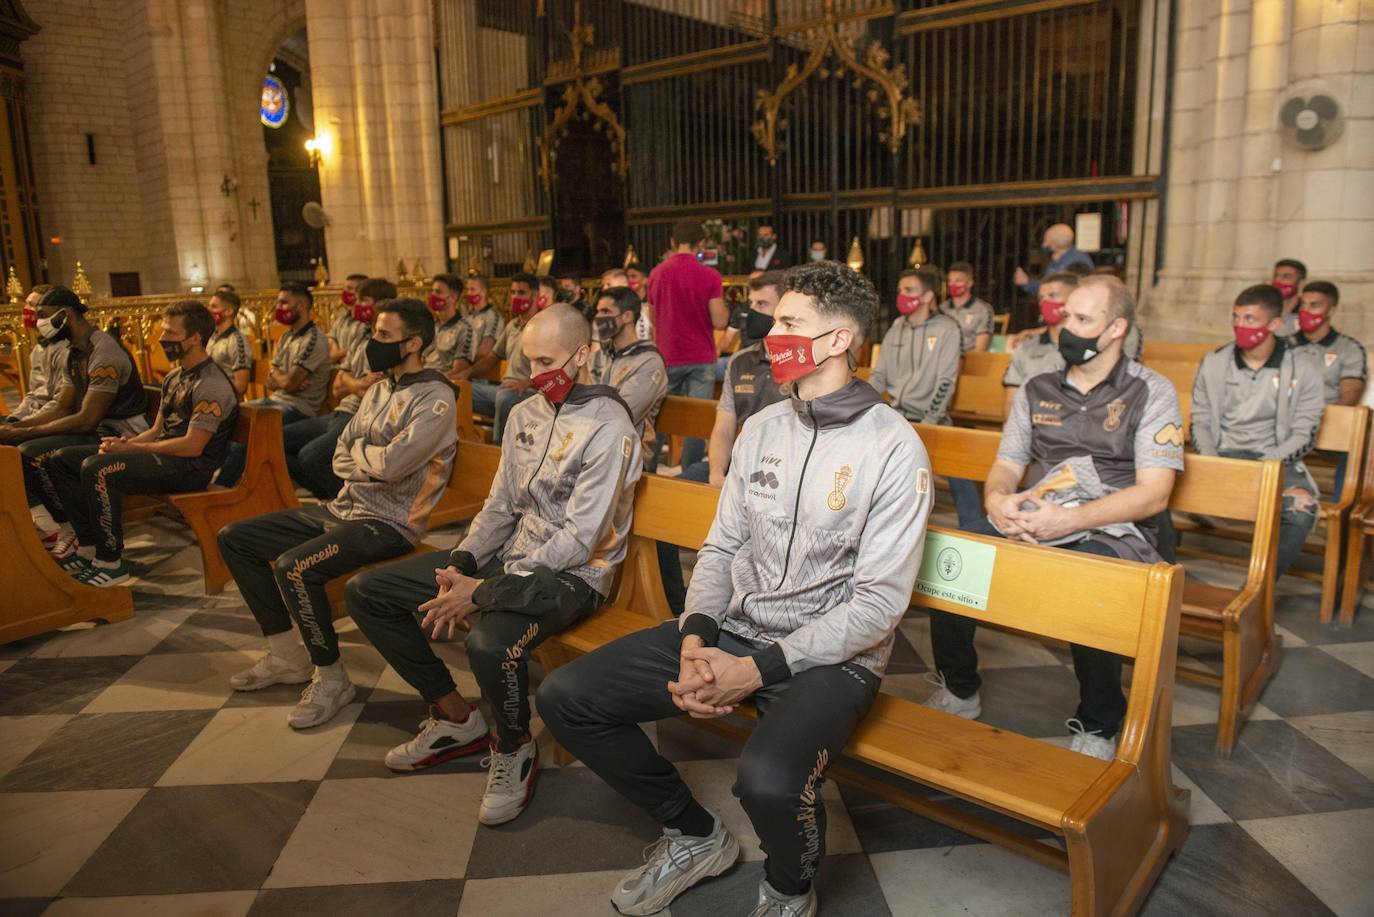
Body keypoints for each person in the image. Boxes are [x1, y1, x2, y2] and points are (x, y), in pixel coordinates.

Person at [539, 261, 930, 917]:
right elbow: (721, 547)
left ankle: (788, 884)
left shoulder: (892, 447)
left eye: (787, 324)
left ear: (837, 341)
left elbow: (878, 606)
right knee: (567, 696)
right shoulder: (765, 427)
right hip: (737, 631)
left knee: (769, 782)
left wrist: (756, 668)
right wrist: (697, 636)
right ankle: (694, 835)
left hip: (834, 658)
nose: (767, 332)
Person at [345, 304, 641, 826]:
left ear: (583, 354)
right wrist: (462, 562)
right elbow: (500, 506)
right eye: (527, 360)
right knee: (369, 591)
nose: (533, 373)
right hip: (507, 559)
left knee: (488, 642)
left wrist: (482, 589)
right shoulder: (526, 413)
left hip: (573, 577)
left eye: (547, 361)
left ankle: (513, 743)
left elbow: (580, 538)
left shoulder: (608, 423)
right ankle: (453, 715)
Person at [925, 275, 1184, 761]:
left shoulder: (1151, 392)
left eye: (1084, 320)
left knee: (1093, 587)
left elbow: (1154, 495)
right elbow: (1007, 462)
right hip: (1037, 512)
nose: (1068, 327)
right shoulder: (1036, 387)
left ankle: (1100, 722)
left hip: (1112, 527)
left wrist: (1071, 521)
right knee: (953, 560)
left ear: (1116, 330)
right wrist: (998, 499)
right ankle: (960, 689)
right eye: (1067, 316)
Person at [218, 298, 458, 729]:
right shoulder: (381, 387)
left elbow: (392, 467)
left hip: (389, 523)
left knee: (294, 568)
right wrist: (369, 458)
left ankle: (331, 678)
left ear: (413, 343)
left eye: (384, 335)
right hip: (343, 507)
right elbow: (339, 455)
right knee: (235, 537)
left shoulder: (436, 397)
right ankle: (287, 656)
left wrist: (365, 458)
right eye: (374, 333)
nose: (373, 342)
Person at [44, 301, 239, 585]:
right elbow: (158, 429)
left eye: (171, 333)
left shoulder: (211, 384)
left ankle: (111, 563)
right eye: (163, 331)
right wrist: (124, 443)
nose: (162, 338)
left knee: (99, 469)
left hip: (191, 468)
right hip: (166, 456)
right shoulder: (174, 377)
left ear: (195, 337)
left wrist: (134, 449)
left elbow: (192, 446)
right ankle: (87, 546)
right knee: (62, 459)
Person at [657, 271, 787, 616]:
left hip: (776, 476)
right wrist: (716, 472)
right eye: (751, 302)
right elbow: (724, 428)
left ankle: (747, 609)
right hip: (732, 466)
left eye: (763, 304)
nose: (750, 311)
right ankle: (678, 605)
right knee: (663, 504)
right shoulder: (741, 361)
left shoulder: (799, 364)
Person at [0, 287, 149, 555]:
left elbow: (86, 420)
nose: (38, 322)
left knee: (36, 454)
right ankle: (69, 528)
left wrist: (25, 433)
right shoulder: (74, 351)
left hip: (122, 432)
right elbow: (61, 406)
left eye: (43, 315)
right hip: (98, 429)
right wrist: (14, 428)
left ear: (64, 315)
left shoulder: (103, 351)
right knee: (25, 450)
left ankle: (84, 536)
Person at [1191, 284, 1325, 578]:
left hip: (1274, 459)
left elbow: (1305, 433)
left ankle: (1257, 592)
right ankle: (1165, 583)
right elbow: (1200, 420)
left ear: (1274, 324)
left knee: (1302, 507)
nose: (1240, 326)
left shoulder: (1303, 368)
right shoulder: (1215, 363)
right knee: (1154, 490)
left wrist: (1265, 465)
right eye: (1236, 318)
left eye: (1250, 319)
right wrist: (1213, 462)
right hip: (1223, 455)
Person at [868, 269, 970, 526]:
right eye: (900, 290)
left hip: (928, 416)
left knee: (963, 459)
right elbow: (879, 375)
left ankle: (975, 526)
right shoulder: (896, 328)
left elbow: (946, 381)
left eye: (909, 291)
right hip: (894, 415)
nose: (902, 296)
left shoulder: (947, 328)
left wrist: (929, 420)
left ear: (927, 296)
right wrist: (862, 409)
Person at [283, 279, 396, 500]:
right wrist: (356, 383)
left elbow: (372, 390)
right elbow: (337, 388)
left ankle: (349, 498)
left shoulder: (390, 342)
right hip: (339, 410)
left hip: (359, 416)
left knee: (310, 456)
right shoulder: (361, 337)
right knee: (273, 442)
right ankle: (331, 493)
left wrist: (351, 384)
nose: (357, 304)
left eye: (364, 300)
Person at [216, 282, 331, 487]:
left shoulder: (314, 339)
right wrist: (284, 379)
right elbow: (273, 380)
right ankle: (223, 484)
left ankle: (222, 488)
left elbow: (288, 383)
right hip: (275, 400)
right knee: (229, 417)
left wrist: (283, 379)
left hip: (299, 408)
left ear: (302, 306)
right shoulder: (286, 336)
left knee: (251, 434)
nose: (278, 308)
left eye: (284, 303)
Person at [647, 218, 730, 470]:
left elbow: (652, 318)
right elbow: (719, 320)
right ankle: (690, 474)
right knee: (697, 418)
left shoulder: (656, 273)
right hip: (700, 357)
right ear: (701, 243)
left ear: (673, 241)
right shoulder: (710, 275)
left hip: (667, 355)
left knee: (661, 416)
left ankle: (648, 471)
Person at [591, 285, 668, 462]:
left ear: (627, 316)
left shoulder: (648, 361)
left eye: (605, 311)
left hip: (629, 452)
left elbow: (621, 415)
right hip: (595, 444)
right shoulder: (599, 356)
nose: (598, 318)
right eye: (597, 312)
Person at [1002, 272, 1081, 418]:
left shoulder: (1090, 347)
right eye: (1041, 298)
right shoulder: (1025, 348)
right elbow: (1011, 402)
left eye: (1052, 296)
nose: (1045, 303)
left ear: (1074, 299)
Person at [468, 272, 535, 422]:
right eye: (512, 292)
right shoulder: (512, 325)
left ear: (535, 295)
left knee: (504, 399)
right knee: (460, 390)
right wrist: (468, 373)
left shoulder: (541, 326)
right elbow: (493, 356)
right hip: (504, 388)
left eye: (521, 293)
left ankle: (499, 445)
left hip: (528, 391)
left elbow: (553, 369)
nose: (515, 297)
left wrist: (526, 383)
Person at [5, 284, 63, 422]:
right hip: (35, 414)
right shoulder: (38, 349)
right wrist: (14, 418)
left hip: (53, 418)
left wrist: (24, 425)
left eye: (31, 305)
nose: (26, 310)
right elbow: (34, 394)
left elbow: (60, 401)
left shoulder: (64, 347)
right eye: (26, 303)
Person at [448, 275, 504, 380]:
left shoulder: (493, 316)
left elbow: (485, 350)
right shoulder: (467, 316)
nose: (468, 293)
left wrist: (464, 364)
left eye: (472, 289)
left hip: (479, 373)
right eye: (467, 289)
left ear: (483, 291)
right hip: (459, 365)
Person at [1013, 222, 1094, 295]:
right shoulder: (1065, 257)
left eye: (1046, 240)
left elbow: (1054, 289)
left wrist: (1028, 283)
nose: (1044, 245)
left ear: (1054, 243)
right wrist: (1027, 282)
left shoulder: (1076, 261)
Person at [939, 261, 995, 352]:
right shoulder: (942, 308)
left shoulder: (982, 309)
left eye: (958, 281)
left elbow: (980, 349)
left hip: (970, 362)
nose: (952, 285)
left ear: (969, 283)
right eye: (950, 281)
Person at [206, 289, 253, 398]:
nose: (209, 310)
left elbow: (241, 386)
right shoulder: (212, 336)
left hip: (224, 401)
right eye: (209, 306)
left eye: (214, 306)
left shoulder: (237, 340)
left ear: (229, 311)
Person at [425, 273, 473, 374]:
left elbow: (458, 370)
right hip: (424, 377)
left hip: (443, 383)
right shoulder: (430, 325)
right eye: (432, 291)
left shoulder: (464, 329)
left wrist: (428, 381)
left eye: (438, 292)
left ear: (453, 297)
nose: (433, 296)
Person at [327, 273, 371, 362]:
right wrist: (336, 354)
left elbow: (357, 350)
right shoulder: (341, 320)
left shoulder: (367, 322)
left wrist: (336, 355)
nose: (345, 293)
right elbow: (330, 340)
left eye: (350, 289)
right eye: (345, 289)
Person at [1271, 258, 1308, 336]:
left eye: (1286, 277)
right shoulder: (1265, 309)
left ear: (1301, 283)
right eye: (1276, 276)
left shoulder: (1306, 313)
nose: (1278, 281)